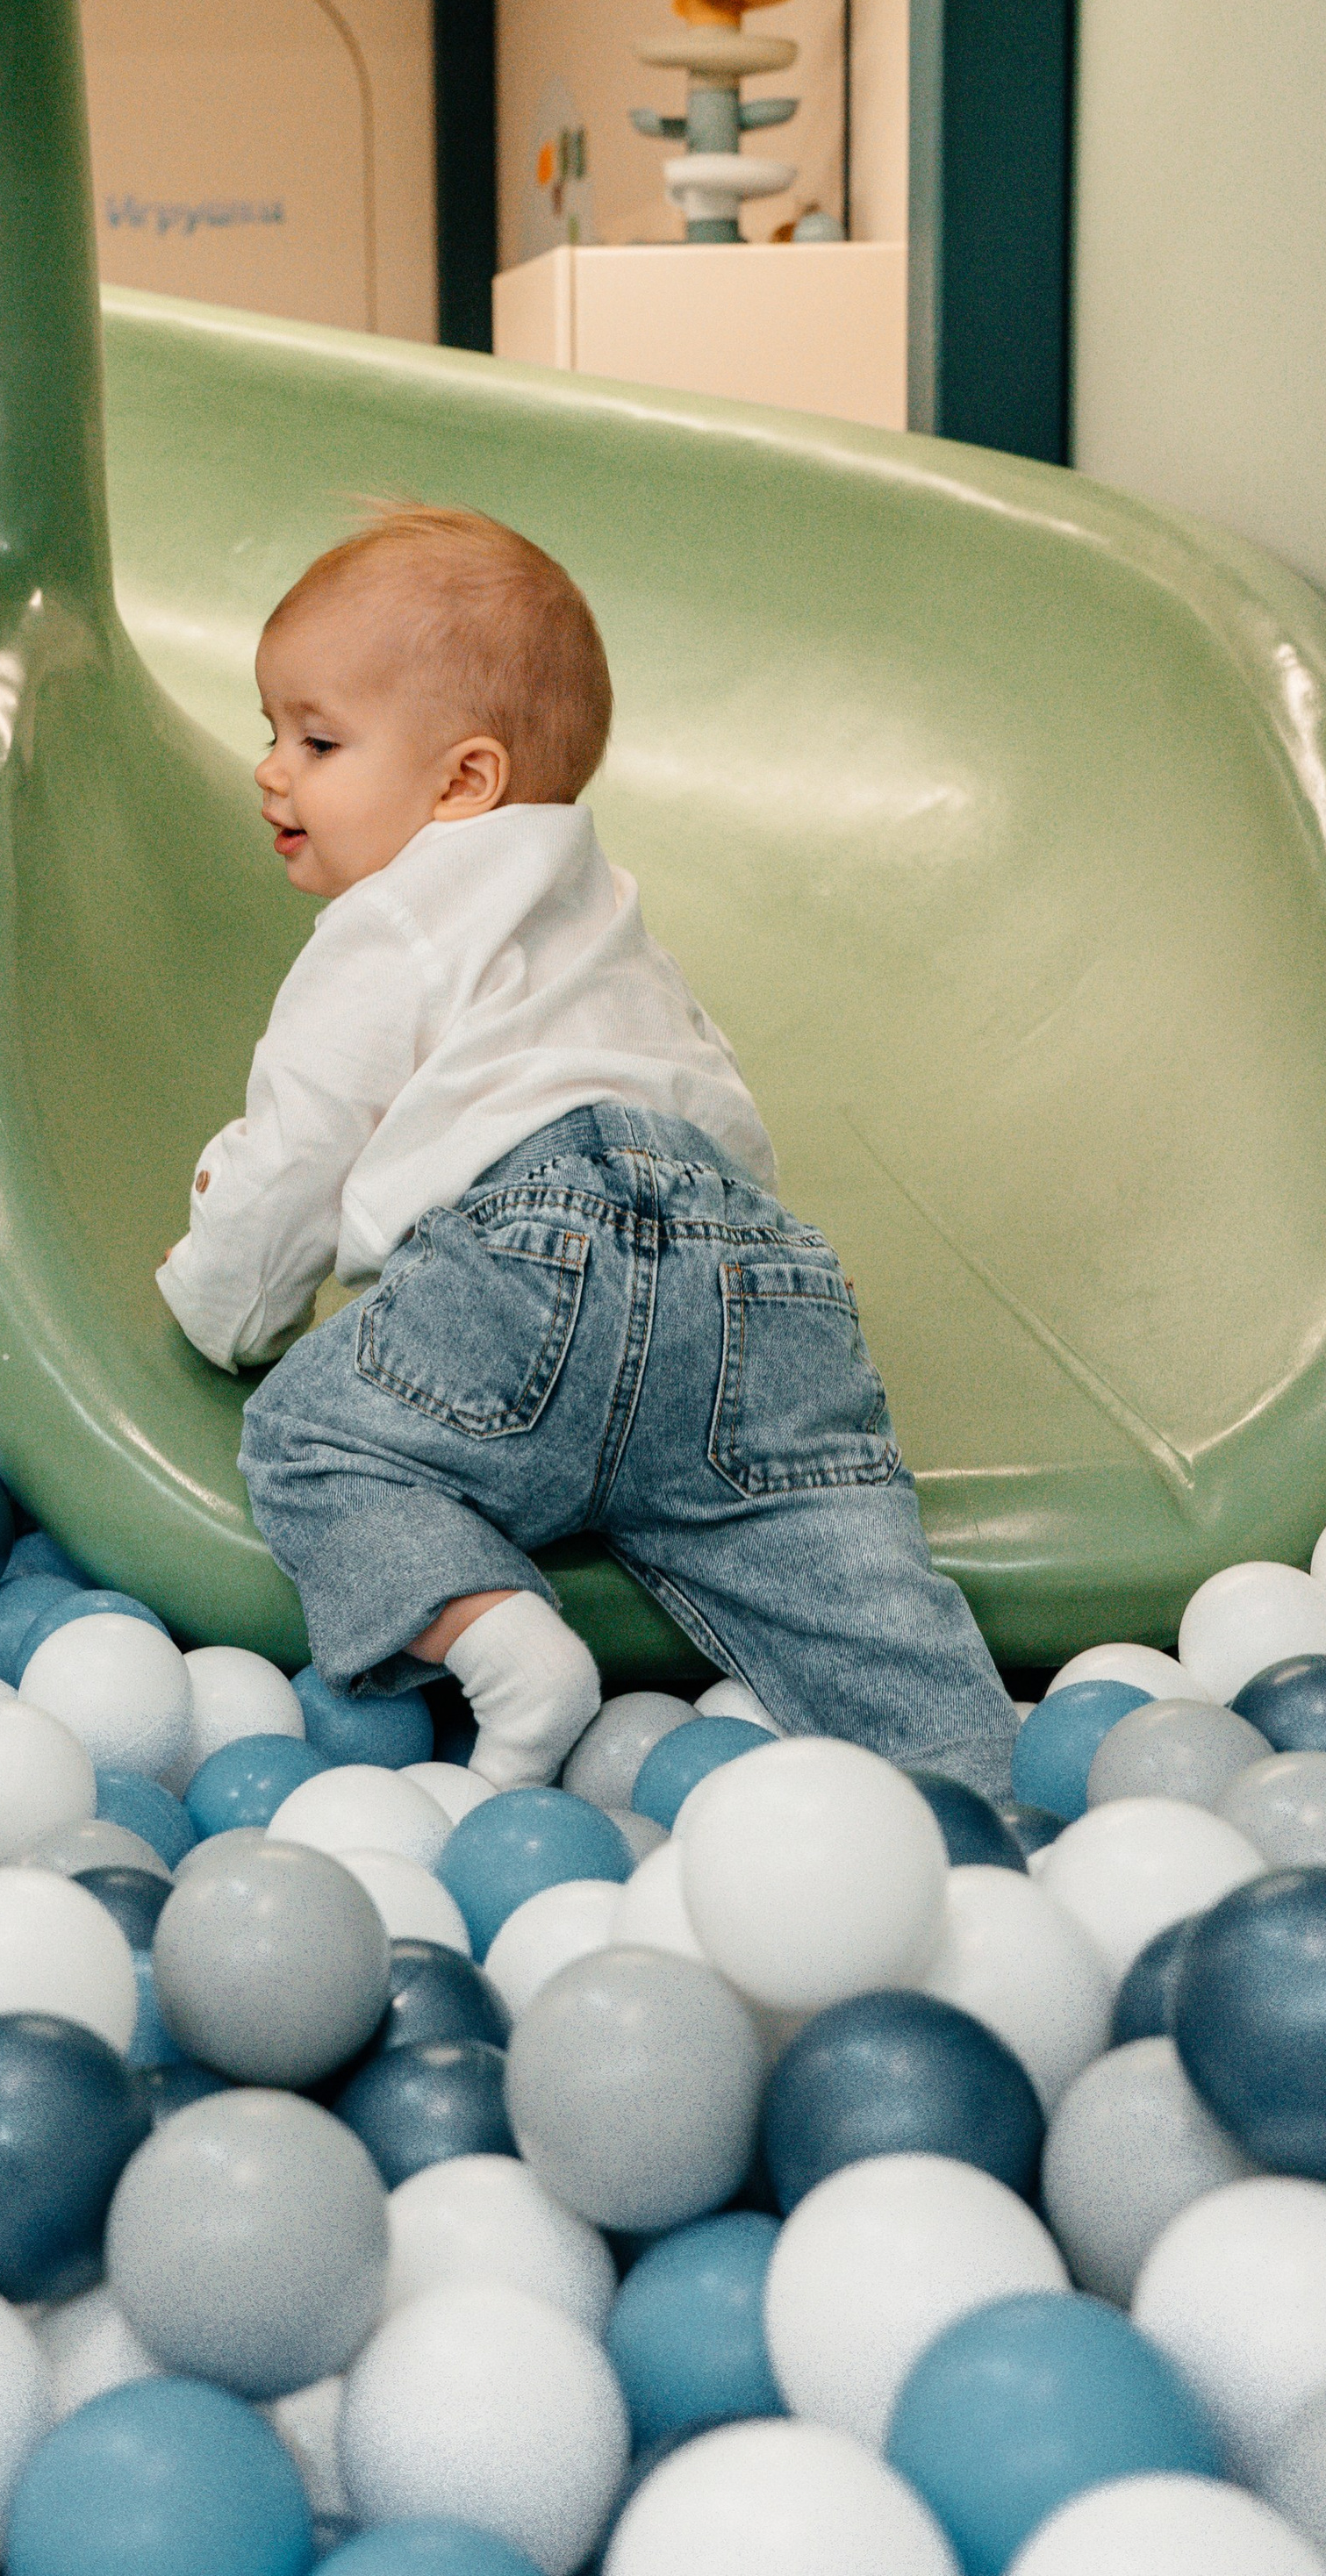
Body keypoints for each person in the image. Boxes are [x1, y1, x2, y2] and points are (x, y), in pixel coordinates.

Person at [156, 504, 1016, 1800]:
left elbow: (294, 1160)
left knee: (309, 1442)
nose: (274, 770)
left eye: (318, 740)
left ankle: (494, 1635)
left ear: (465, 782)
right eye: (271, 732)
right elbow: (723, 1118)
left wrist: (222, 1308)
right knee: (848, 1581)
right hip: (744, 1272)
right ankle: (976, 1783)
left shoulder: (387, 925)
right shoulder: (613, 919)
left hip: (524, 1260)